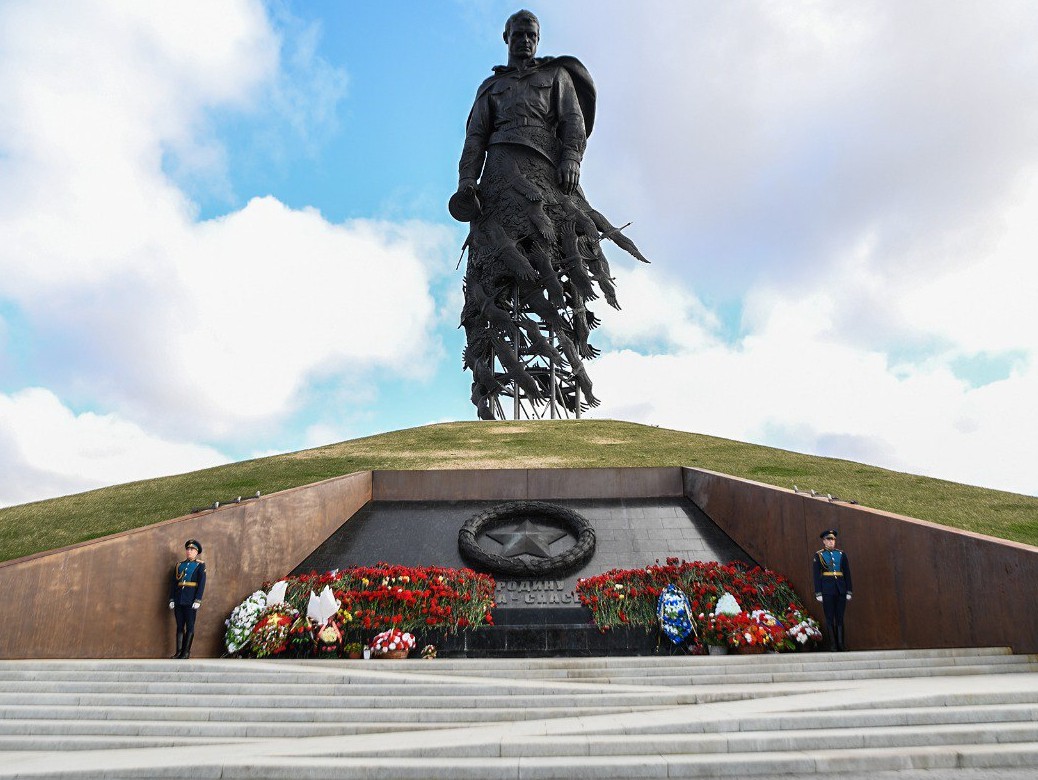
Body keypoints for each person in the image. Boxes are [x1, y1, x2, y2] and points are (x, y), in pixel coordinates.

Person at [452, 9, 648, 420]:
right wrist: (466, 183)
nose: (525, 40)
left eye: (531, 34)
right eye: (518, 34)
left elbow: (572, 123)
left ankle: (570, 381)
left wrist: (572, 159)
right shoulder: (491, 88)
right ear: (506, 37)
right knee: (493, 274)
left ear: (538, 38)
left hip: (547, 174)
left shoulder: (556, 78)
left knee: (563, 255)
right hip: (501, 176)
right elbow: (475, 139)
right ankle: (488, 390)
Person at [812, 529, 852, 651]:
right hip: (827, 590)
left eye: (833, 539)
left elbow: (847, 574)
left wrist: (849, 590)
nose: (831, 542)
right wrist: (818, 592)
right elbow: (816, 575)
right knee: (829, 617)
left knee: (840, 617)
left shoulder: (841, 554)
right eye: (828, 539)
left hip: (840, 589)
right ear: (824, 541)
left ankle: (841, 644)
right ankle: (833, 645)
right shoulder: (819, 555)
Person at [168, 539, 206, 659]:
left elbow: (201, 583)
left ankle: (186, 652)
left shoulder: (200, 565)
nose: (189, 551)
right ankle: (179, 652)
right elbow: (174, 583)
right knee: (179, 626)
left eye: (192, 549)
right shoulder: (180, 565)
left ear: (196, 552)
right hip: (179, 599)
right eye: (188, 549)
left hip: (191, 600)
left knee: (189, 626)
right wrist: (172, 599)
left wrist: (197, 600)